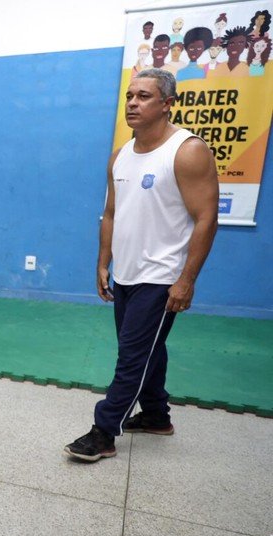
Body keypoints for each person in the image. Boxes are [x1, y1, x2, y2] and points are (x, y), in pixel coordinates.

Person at [65, 69, 218, 463]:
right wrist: (104, 262)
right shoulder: (120, 155)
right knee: (148, 347)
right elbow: (111, 213)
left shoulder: (187, 150)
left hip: (162, 276)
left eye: (144, 96)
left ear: (167, 104)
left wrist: (187, 280)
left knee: (132, 355)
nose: (133, 103)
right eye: (130, 95)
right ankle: (155, 415)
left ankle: (103, 431)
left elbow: (206, 218)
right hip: (127, 272)